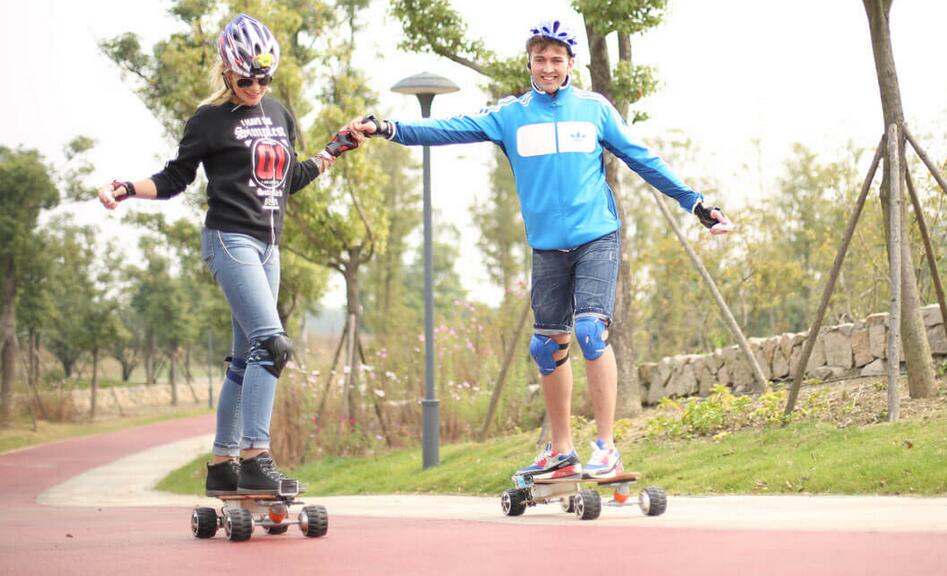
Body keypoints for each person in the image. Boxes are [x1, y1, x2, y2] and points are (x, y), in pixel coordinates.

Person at [345, 19, 733, 480]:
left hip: (596, 238)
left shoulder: (594, 109)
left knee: (590, 332)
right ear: (529, 62)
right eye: (540, 59)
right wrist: (388, 127)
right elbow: (447, 129)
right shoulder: (511, 114)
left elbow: (643, 158)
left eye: (556, 60)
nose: (548, 68)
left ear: (572, 63)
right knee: (547, 347)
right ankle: (561, 451)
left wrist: (697, 204)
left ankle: (607, 448)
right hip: (548, 248)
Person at [98, 14, 356, 495]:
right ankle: (256, 455)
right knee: (272, 345)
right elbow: (176, 179)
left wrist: (334, 149)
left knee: (245, 360)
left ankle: (221, 464)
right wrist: (127, 187)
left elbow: (289, 179)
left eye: (264, 77)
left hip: (268, 245)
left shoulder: (280, 114)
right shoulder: (208, 121)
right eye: (246, 77)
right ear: (226, 68)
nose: (256, 85)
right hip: (229, 239)